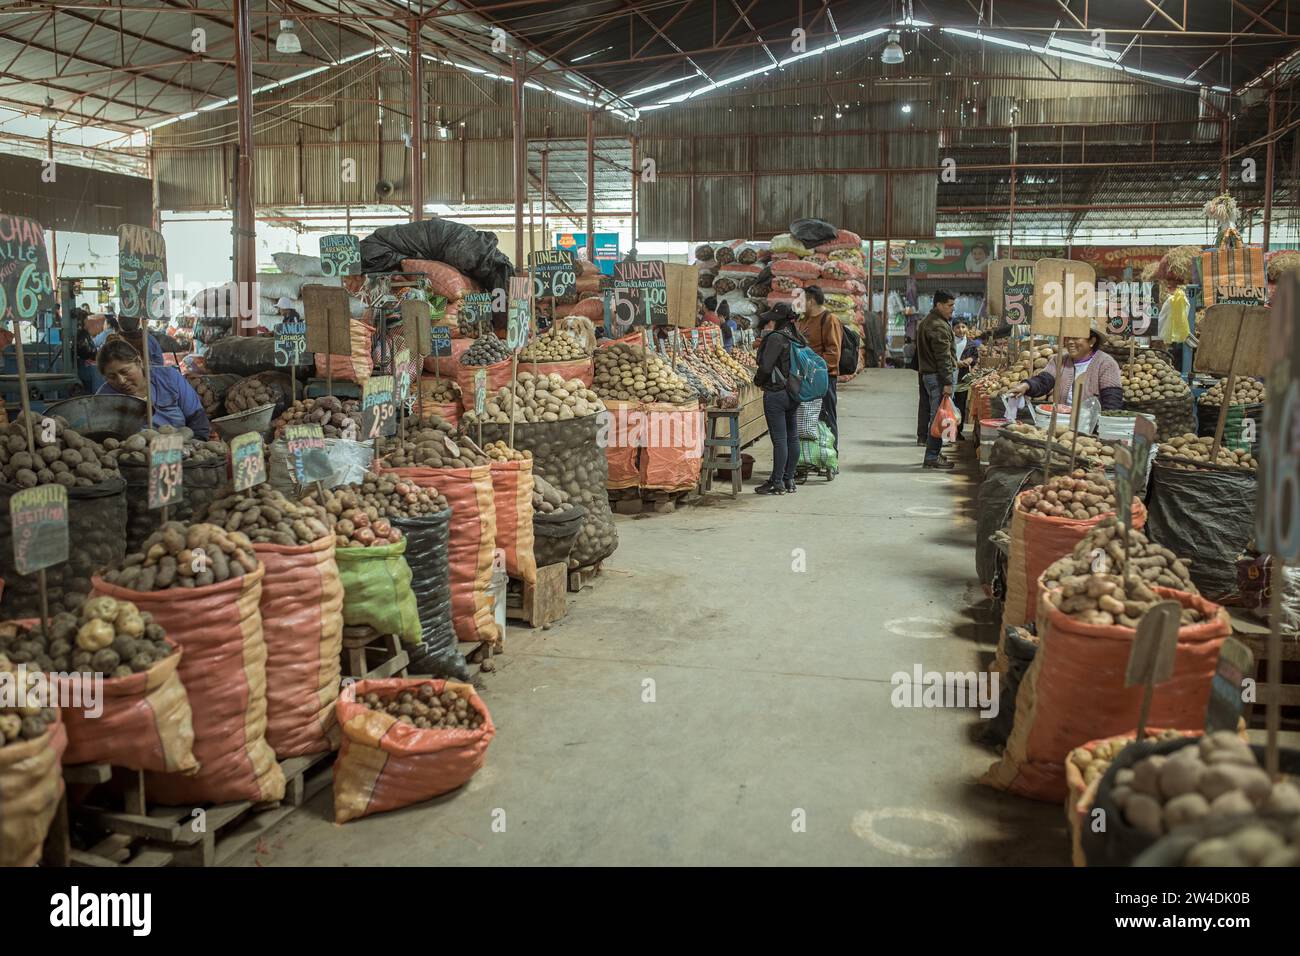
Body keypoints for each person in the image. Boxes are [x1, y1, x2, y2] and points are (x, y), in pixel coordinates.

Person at [95, 338, 212, 438]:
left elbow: (197, 418)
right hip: (135, 457)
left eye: (124, 371)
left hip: (183, 451)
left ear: (139, 361)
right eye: (111, 376)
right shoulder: (104, 397)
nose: (121, 380)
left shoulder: (169, 378)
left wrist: (196, 447)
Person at [752, 302, 807, 495]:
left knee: (780, 440)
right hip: (794, 392)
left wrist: (757, 381)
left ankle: (777, 482)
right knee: (792, 437)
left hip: (776, 393)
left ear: (778, 319)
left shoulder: (776, 338)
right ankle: (789, 479)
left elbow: (766, 367)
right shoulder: (797, 337)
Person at [1007, 326, 1123, 411]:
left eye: (1076, 338)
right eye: (1068, 338)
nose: (1070, 342)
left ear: (1092, 341)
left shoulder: (1106, 364)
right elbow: (1044, 381)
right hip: (1061, 423)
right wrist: (1026, 385)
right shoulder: (1059, 360)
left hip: (1092, 427)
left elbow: (1112, 402)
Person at [796, 285, 842, 455]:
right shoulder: (804, 320)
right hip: (806, 379)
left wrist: (815, 370)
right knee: (806, 420)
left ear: (811, 301)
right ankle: (810, 457)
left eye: (802, 301)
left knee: (827, 417)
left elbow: (833, 353)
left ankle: (831, 456)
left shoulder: (829, 320)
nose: (799, 304)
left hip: (824, 379)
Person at [916, 290, 957, 469]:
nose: (952, 310)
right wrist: (948, 382)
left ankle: (934, 453)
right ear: (938, 305)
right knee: (939, 418)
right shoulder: (938, 326)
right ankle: (931, 457)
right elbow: (943, 357)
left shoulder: (929, 321)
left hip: (929, 375)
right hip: (937, 377)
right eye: (949, 306)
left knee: (938, 415)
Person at [951, 319, 980, 441]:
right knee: (948, 404)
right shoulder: (949, 342)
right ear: (953, 329)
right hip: (949, 377)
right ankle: (948, 430)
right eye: (958, 327)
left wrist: (970, 361)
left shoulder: (971, 344)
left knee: (960, 405)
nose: (961, 330)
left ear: (967, 329)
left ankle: (958, 431)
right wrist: (956, 363)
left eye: (963, 327)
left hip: (962, 379)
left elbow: (975, 357)